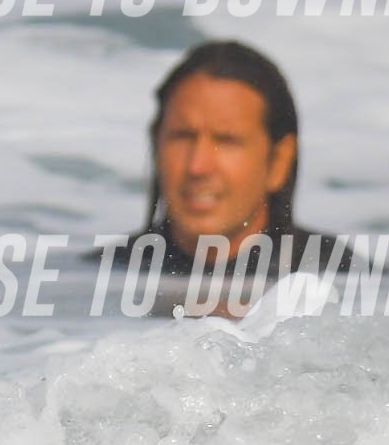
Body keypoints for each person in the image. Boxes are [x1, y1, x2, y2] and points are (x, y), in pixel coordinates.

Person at [114, 39, 346, 318]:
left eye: (226, 140)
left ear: (279, 161)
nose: (198, 166)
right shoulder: (103, 278)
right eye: (182, 137)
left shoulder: (345, 283)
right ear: (156, 144)